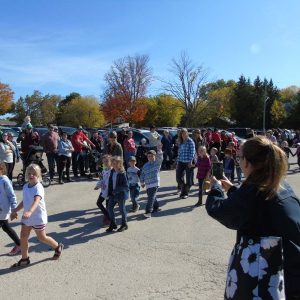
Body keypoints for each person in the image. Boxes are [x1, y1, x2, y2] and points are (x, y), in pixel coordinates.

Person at [206, 136, 300, 299]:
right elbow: (256, 208)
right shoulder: (281, 186)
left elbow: (220, 210)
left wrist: (216, 188)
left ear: (247, 162)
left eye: (239, 157)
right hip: (291, 272)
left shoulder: (253, 190)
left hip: (265, 280)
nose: (239, 161)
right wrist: (233, 190)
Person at [10, 164, 64, 267]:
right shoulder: (26, 186)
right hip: (27, 218)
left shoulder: (38, 187)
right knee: (23, 236)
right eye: (29, 173)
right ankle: (25, 258)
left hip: (37, 217)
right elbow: (25, 201)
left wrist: (29, 212)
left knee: (42, 238)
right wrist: (15, 210)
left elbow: (36, 200)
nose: (31, 175)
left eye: (34, 174)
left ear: (38, 175)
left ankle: (57, 246)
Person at [0, 162, 21, 255]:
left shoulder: (5, 180)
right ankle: (19, 244)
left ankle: (20, 244)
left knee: (6, 227)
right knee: (6, 227)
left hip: (2, 209)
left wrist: (14, 209)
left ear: (1, 169)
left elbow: (12, 195)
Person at [106, 156, 129, 233]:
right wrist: (109, 192)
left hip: (120, 194)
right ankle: (113, 223)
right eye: (113, 163)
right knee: (109, 208)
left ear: (120, 163)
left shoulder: (122, 173)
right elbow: (110, 182)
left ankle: (124, 224)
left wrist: (116, 190)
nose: (114, 165)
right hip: (112, 194)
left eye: (116, 163)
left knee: (122, 210)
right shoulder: (112, 171)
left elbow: (126, 185)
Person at [140, 144, 163, 218]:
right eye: (148, 156)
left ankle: (148, 211)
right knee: (152, 196)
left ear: (154, 156)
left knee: (150, 197)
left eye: (151, 156)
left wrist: (159, 150)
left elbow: (160, 158)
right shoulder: (145, 165)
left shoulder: (157, 163)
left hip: (155, 183)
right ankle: (156, 207)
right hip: (148, 184)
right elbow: (142, 174)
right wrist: (142, 182)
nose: (150, 157)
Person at [176, 128, 196, 199]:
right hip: (181, 162)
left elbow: (192, 152)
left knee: (188, 180)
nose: (183, 135)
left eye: (185, 133)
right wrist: (177, 161)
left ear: (187, 133)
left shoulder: (190, 141)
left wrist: (190, 161)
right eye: (182, 133)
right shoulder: (181, 141)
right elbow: (179, 152)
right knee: (178, 178)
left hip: (188, 162)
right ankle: (183, 189)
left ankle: (185, 193)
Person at [94, 155, 112, 226]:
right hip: (104, 190)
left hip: (109, 191)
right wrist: (97, 186)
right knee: (99, 203)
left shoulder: (112, 171)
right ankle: (108, 216)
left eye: (107, 161)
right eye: (104, 162)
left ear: (111, 161)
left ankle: (108, 219)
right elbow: (101, 180)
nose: (105, 163)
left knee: (108, 206)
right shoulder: (104, 170)